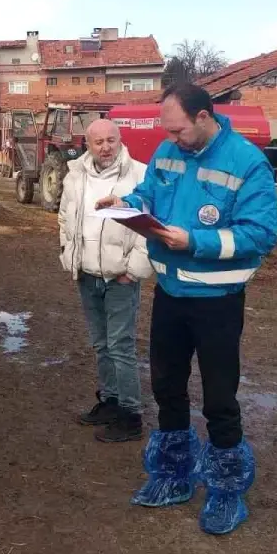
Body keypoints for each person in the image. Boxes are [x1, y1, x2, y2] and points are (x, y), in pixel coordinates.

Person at [97, 83, 277, 535]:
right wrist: (127, 205)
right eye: (168, 131)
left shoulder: (246, 162)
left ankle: (226, 489)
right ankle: (173, 473)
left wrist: (194, 241)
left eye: (178, 130)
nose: (171, 139)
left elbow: (260, 234)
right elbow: (150, 195)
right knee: (167, 387)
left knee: (219, 397)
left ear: (203, 117)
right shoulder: (168, 152)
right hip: (170, 292)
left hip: (217, 300)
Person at [59, 118, 155, 443]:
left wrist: (135, 269)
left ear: (120, 140)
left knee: (120, 346)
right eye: (98, 142)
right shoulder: (75, 175)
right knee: (101, 344)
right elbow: (65, 217)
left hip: (120, 278)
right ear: (87, 144)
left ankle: (131, 415)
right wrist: (69, 253)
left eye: (111, 140)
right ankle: (111, 401)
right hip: (87, 275)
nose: (105, 148)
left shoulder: (139, 175)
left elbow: (150, 226)